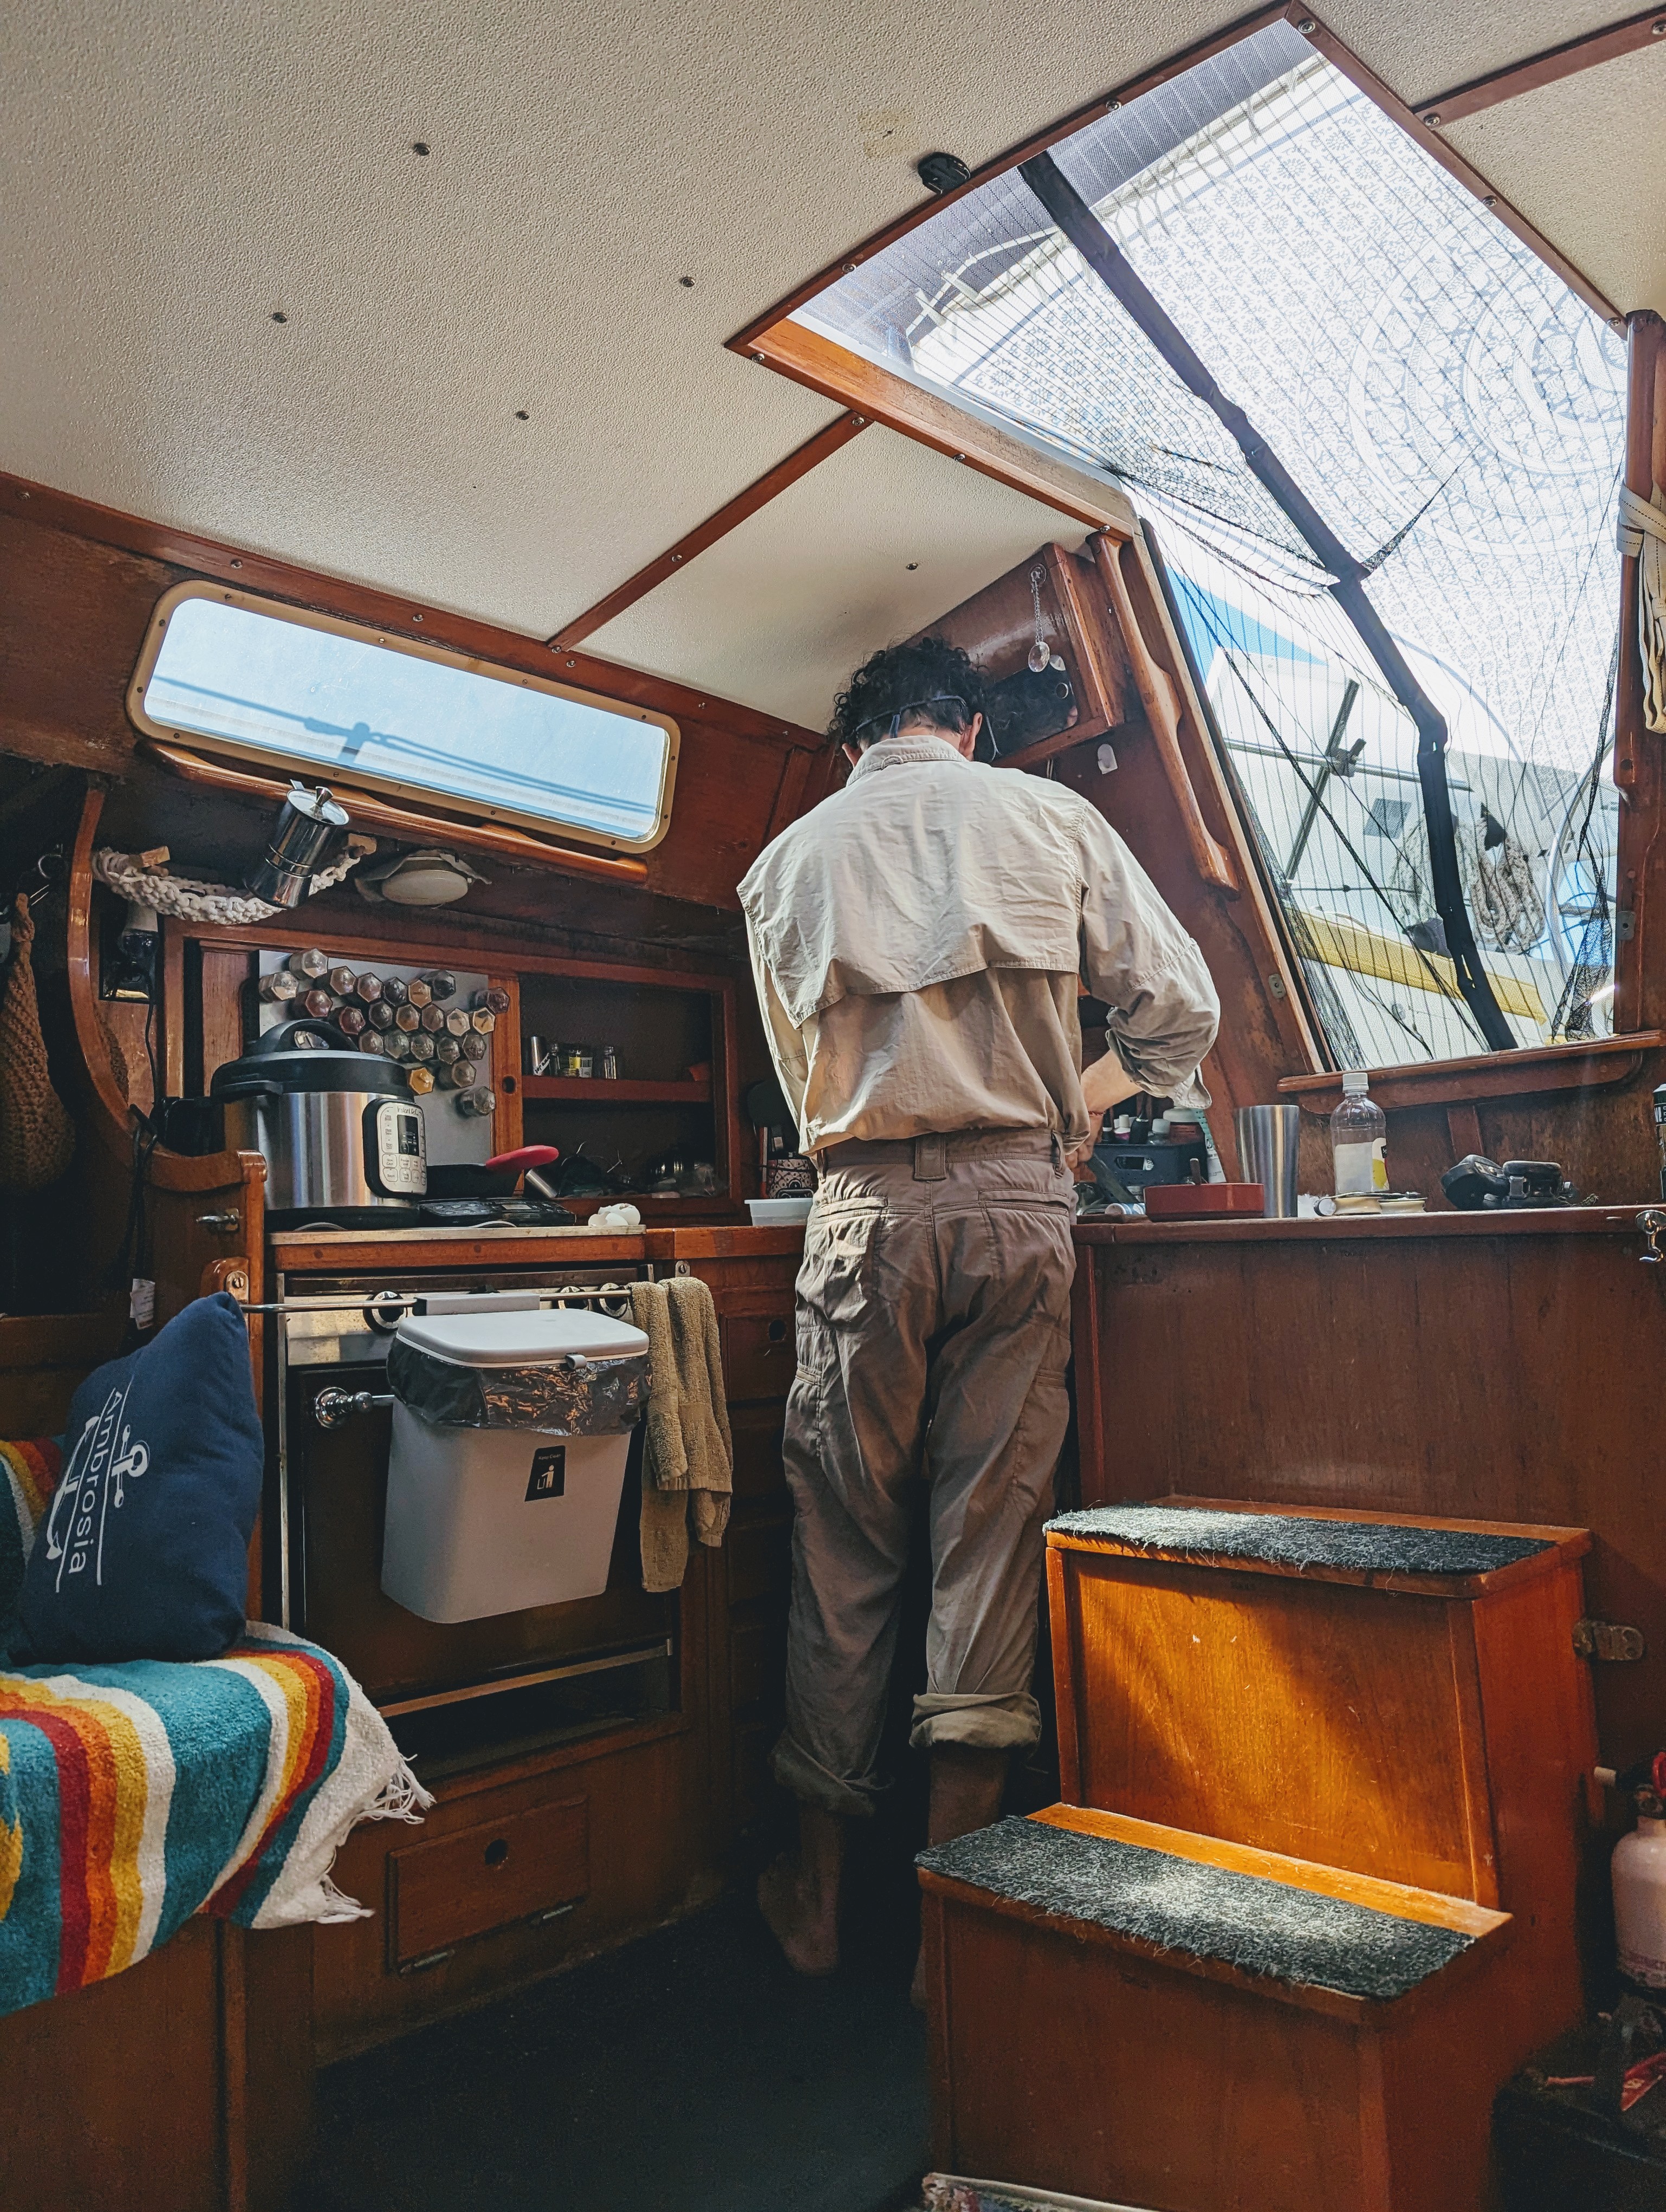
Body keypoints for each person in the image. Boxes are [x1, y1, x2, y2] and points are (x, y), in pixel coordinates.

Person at [737, 635, 1220, 1979]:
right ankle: (959, 1915)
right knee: (988, 1537)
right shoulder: (1050, 816)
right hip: (1020, 1203)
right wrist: (1075, 1109)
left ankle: (820, 1905)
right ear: (969, 728)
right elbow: (1184, 1017)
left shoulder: (784, 863)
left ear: (858, 740)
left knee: (843, 1555)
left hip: (863, 1216)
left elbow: (802, 1086)